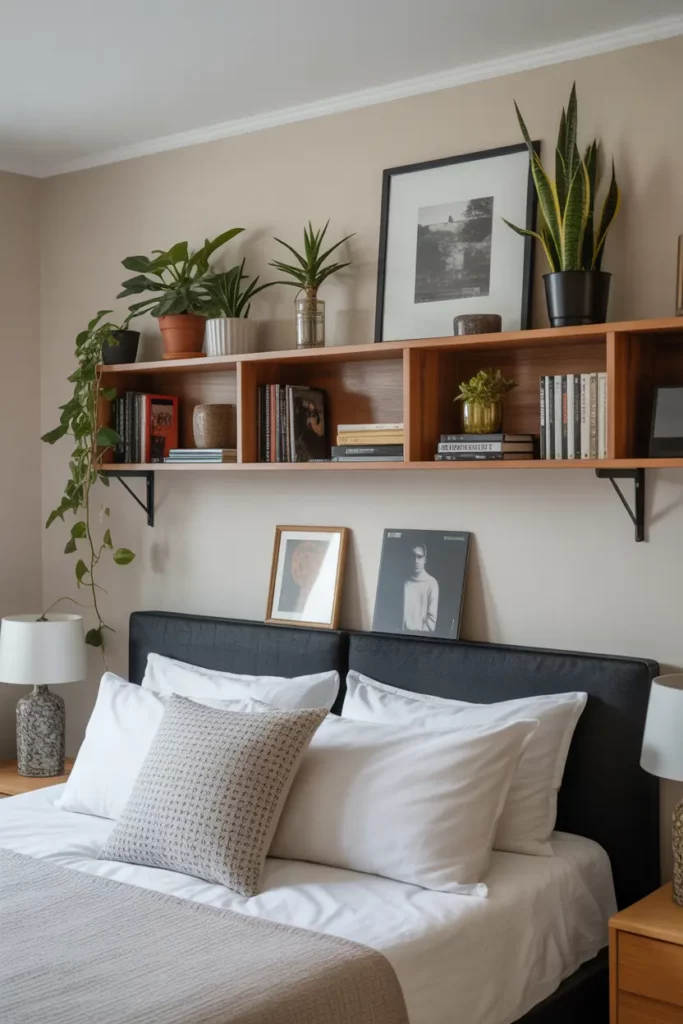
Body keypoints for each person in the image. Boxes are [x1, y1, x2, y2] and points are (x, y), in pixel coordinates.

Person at [403, 543, 439, 632]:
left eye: (419, 557)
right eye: (413, 556)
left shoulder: (431, 583)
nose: (416, 560)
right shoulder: (404, 582)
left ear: (425, 560)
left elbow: (431, 619)